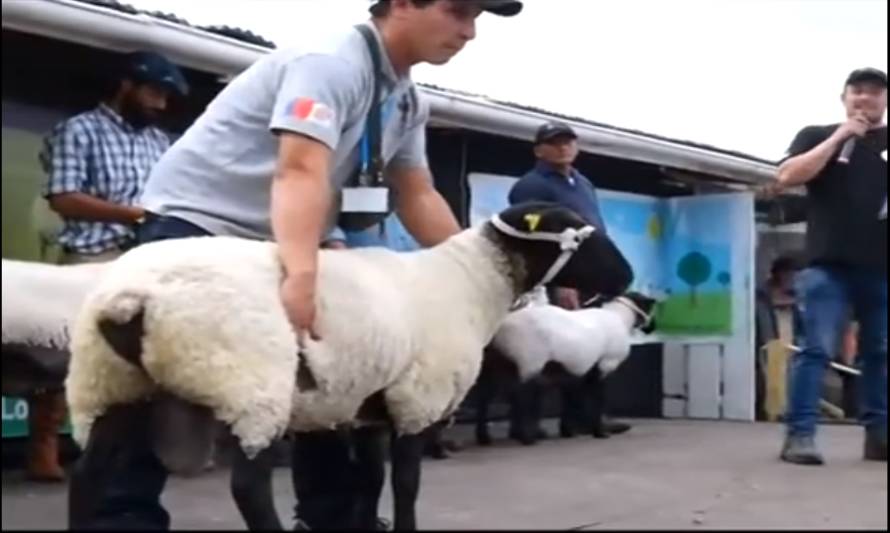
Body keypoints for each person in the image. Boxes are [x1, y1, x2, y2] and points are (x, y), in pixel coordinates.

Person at [77, 0, 523, 529]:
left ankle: (333, 518)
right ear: (402, 3)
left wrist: (474, 280)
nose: (469, 32)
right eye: (457, 11)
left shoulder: (406, 100)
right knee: (145, 395)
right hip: (199, 228)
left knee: (330, 376)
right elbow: (300, 169)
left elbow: (417, 191)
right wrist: (303, 274)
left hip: (278, 239)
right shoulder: (331, 63)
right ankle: (121, 523)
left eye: (477, 20)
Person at [25, 50, 186, 483]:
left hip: (146, 258)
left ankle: (123, 448)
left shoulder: (159, 141)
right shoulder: (78, 131)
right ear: (126, 86)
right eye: (154, 93)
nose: (162, 104)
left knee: (141, 356)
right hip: (90, 255)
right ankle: (44, 446)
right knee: (68, 354)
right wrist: (133, 215)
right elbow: (63, 197)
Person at [774, 67, 887, 465]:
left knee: (880, 352)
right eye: (857, 91)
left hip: (880, 270)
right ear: (844, 98)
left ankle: (879, 436)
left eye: (875, 93)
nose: (865, 99)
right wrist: (841, 136)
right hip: (827, 268)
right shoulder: (818, 135)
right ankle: (800, 436)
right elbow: (786, 176)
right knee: (816, 349)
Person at [507, 120, 630, 438]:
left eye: (568, 141)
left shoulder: (583, 182)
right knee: (555, 351)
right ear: (539, 150)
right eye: (555, 142)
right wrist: (563, 282)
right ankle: (531, 424)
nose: (563, 147)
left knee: (592, 349)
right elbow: (533, 238)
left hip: (591, 273)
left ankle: (586, 418)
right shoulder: (530, 186)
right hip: (559, 276)